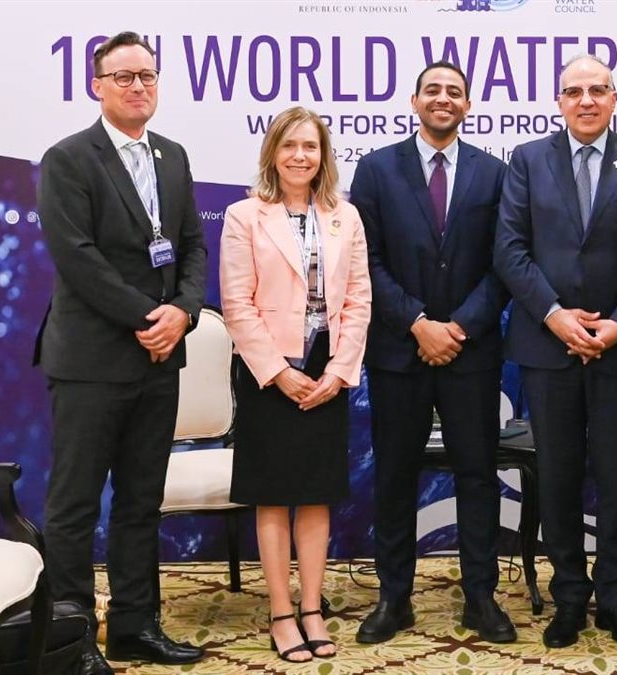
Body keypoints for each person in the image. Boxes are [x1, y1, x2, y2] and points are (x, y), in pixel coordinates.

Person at [34, 31, 207, 674]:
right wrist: (148, 317)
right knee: (75, 506)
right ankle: (72, 642)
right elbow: (77, 258)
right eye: (124, 76)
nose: (138, 86)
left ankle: (136, 627)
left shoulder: (173, 156)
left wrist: (183, 312)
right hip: (91, 361)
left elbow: (192, 246)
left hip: (159, 359)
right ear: (97, 86)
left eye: (148, 76)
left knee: (141, 503)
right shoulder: (68, 158)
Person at [493, 53, 617, 649]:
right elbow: (510, 249)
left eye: (598, 90)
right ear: (560, 101)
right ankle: (569, 597)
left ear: (615, 98)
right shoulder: (527, 160)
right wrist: (555, 316)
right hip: (548, 349)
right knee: (558, 478)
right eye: (574, 91)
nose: (587, 101)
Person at [349, 62, 513, 644]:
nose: (444, 99)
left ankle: (480, 599)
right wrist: (418, 323)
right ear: (414, 101)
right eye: (434, 90)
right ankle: (394, 599)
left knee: (477, 476)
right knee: (395, 477)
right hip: (399, 351)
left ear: (468, 105)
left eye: (455, 92)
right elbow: (365, 260)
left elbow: (505, 261)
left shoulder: (495, 172)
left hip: (471, 353)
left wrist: (458, 327)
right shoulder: (375, 169)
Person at [220, 106, 371, 662]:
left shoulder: (345, 216)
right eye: (289, 146)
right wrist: (278, 373)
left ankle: (312, 608)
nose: (300, 156)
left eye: (310, 146)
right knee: (273, 493)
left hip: (326, 368)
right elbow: (236, 303)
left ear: (323, 156)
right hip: (268, 371)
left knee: (314, 493)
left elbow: (359, 300)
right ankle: (281, 613)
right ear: (273, 154)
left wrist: (338, 371)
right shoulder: (244, 215)